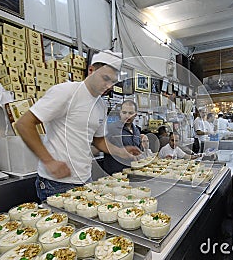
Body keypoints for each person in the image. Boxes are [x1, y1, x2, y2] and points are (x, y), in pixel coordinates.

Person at [15, 50, 141, 201]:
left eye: (113, 82)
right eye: (105, 78)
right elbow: (24, 124)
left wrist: (120, 152)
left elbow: (98, 140)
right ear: (91, 70)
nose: (108, 86)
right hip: (56, 183)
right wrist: (49, 161)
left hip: (84, 180)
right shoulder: (66, 92)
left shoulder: (100, 105)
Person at [102, 100, 141, 174]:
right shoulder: (110, 128)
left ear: (135, 114)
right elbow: (100, 146)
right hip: (113, 175)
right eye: (124, 112)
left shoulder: (137, 131)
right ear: (120, 113)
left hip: (132, 173)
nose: (127, 116)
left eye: (131, 113)